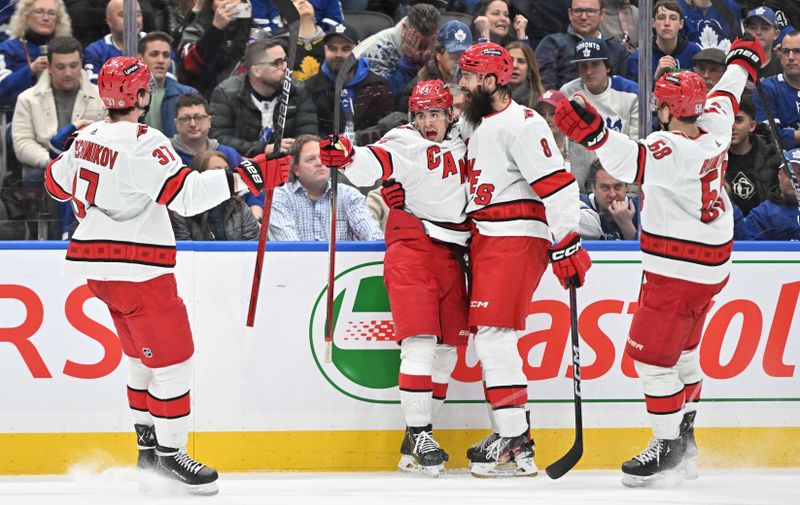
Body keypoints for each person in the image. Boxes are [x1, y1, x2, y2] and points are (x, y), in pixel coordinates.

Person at [43, 56, 289, 495]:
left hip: (98, 271)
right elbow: (187, 196)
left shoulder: (86, 138)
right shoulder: (145, 140)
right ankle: (171, 455)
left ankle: (146, 448)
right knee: (174, 364)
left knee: (141, 361)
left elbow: (54, 184)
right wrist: (249, 175)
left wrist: (75, 151)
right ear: (141, 96)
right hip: (139, 269)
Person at [554, 35, 764, 486]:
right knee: (685, 353)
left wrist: (593, 134)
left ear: (668, 110)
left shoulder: (674, 150)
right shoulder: (716, 121)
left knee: (651, 362)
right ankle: (685, 439)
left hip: (677, 270)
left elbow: (629, 162)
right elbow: (728, 88)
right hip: (712, 266)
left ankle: (666, 444)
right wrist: (744, 59)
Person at [319, 80, 469, 477]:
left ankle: (415, 438)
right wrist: (346, 155)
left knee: (448, 350)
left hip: (455, 254)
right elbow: (373, 162)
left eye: (434, 113)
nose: (427, 122)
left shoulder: (469, 138)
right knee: (419, 342)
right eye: (420, 114)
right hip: (412, 248)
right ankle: (420, 433)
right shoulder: (403, 140)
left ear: (450, 112)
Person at [457, 42, 590, 478]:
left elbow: (559, 185)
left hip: (514, 236)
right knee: (490, 337)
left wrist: (567, 240)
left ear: (493, 81)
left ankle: (514, 441)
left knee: (494, 337)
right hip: (487, 238)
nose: (462, 83)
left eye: (470, 76)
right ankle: (514, 436)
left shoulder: (523, 122)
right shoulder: (474, 122)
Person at [11, 36, 105, 239]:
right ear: (49, 66)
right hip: (47, 165)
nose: (68, 73)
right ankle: (52, 238)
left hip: (92, 166)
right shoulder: (27, 99)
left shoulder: (102, 96)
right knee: (39, 177)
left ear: (81, 63)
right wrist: (53, 162)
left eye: (73, 65)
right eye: (61, 67)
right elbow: (22, 143)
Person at [209, 37, 318, 158]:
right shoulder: (226, 93)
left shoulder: (297, 90)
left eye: (285, 60)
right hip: (242, 163)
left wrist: (294, 147)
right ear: (256, 71)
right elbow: (218, 138)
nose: (285, 67)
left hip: (287, 162)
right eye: (277, 63)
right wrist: (263, 148)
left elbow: (308, 135)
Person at [269, 134, 383, 241]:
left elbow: (374, 237)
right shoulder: (280, 197)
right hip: (298, 262)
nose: (319, 163)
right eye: (310, 159)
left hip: (344, 262)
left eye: (322, 157)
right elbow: (290, 248)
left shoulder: (349, 195)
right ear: (295, 169)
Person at [560, 37, 638, 191]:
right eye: (583, 66)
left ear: (608, 67)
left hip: (621, 176)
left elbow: (637, 144)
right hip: (581, 180)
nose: (589, 72)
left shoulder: (630, 92)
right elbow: (564, 147)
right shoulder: (568, 93)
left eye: (595, 64)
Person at [303, 23, 394, 140]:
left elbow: (387, 130)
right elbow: (308, 133)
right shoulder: (310, 87)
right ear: (325, 50)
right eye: (332, 48)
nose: (338, 55)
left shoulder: (378, 85)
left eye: (346, 49)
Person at [535, 0, 629, 91]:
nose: (583, 17)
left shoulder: (617, 50)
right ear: (570, 14)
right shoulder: (553, 43)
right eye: (578, 11)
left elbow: (622, 90)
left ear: (602, 14)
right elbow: (544, 86)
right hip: (564, 103)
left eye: (590, 11)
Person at [170, 150, 260, 240]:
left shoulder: (239, 206)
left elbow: (253, 245)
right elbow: (184, 249)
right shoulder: (182, 210)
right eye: (218, 170)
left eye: (227, 169)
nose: (225, 175)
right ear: (201, 176)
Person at [0, 0, 71, 106]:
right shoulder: (8, 48)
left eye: (52, 13)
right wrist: (31, 69)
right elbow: (2, 89)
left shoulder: (68, 49)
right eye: (39, 11)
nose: (46, 18)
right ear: (25, 16)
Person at [361, 3, 440, 98]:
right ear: (404, 28)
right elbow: (384, 97)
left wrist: (429, 63)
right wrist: (409, 63)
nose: (422, 52)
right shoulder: (375, 49)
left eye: (427, 45)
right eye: (418, 44)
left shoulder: (439, 45)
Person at [178, 0, 252, 98]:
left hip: (239, 101)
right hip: (200, 99)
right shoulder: (195, 28)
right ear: (211, 3)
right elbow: (192, 64)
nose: (227, 2)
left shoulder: (254, 33)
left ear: (243, 2)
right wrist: (216, 28)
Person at [399, 20, 473, 113]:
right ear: (438, 54)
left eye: (465, 55)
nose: (460, 61)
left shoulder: (474, 83)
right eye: (454, 55)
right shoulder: (416, 90)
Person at [727, 94, 782, 215]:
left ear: (752, 126)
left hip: (765, 225)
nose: (731, 127)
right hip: (728, 226)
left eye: (738, 120)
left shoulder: (773, 155)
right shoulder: (712, 156)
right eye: (727, 120)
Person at [626, 0, 702, 83]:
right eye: (661, 18)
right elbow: (633, 94)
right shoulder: (639, 57)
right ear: (652, 23)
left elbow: (701, 88)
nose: (667, 23)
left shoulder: (694, 52)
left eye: (673, 18)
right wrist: (657, 78)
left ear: (681, 24)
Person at [139, 31, 197, 137]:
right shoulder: (127, 96)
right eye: (154, 54)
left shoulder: (188, 94)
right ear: (140, 59)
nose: (161, 60)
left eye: (166, 55)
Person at [753, 30, 800, 149]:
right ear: (779, 55)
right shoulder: (766, 88)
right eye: (785, 51)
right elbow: (769, 136)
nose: (790, 57)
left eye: (797, 51)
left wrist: (792, 135)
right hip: (781, 163)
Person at [739, 149, 800, 240]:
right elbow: (750, 251)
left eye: (799, 173)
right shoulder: (762, 215)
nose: (794, 179)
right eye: (789, 173)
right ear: (779, 175)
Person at [169, 92, 242, 167]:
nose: (192, 124)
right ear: (176, 123)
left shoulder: (229, 155)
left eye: (199, 118)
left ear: (209, 121)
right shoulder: (166, 154)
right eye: (185, 119)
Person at [82, 0, 144, 83]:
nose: (132, 19)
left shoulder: (157, 45)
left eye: (137, 14)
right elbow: (93, 86)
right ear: (109, 21)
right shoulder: (96, 50)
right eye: (123, 15)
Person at [580, 159, 639, 239]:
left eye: (618, 187)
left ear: (626, 187)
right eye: (605, 188)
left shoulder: (640, 210)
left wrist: (626, 224)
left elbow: (648, 249)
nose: (612, 194)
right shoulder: (580, 206)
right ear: (593, 188)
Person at [744, 6, 782, 77]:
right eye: (753, 28)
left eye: (765, 28)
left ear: (776, 34)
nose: (758, 32)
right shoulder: (735, 63)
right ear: (746, 32)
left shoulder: (784, 65)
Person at [505, 40, 544, 107]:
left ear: (529, 68)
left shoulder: (538, 102)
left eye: (521, 61)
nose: (514, 65)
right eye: (510, 60)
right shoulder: (490, 97)